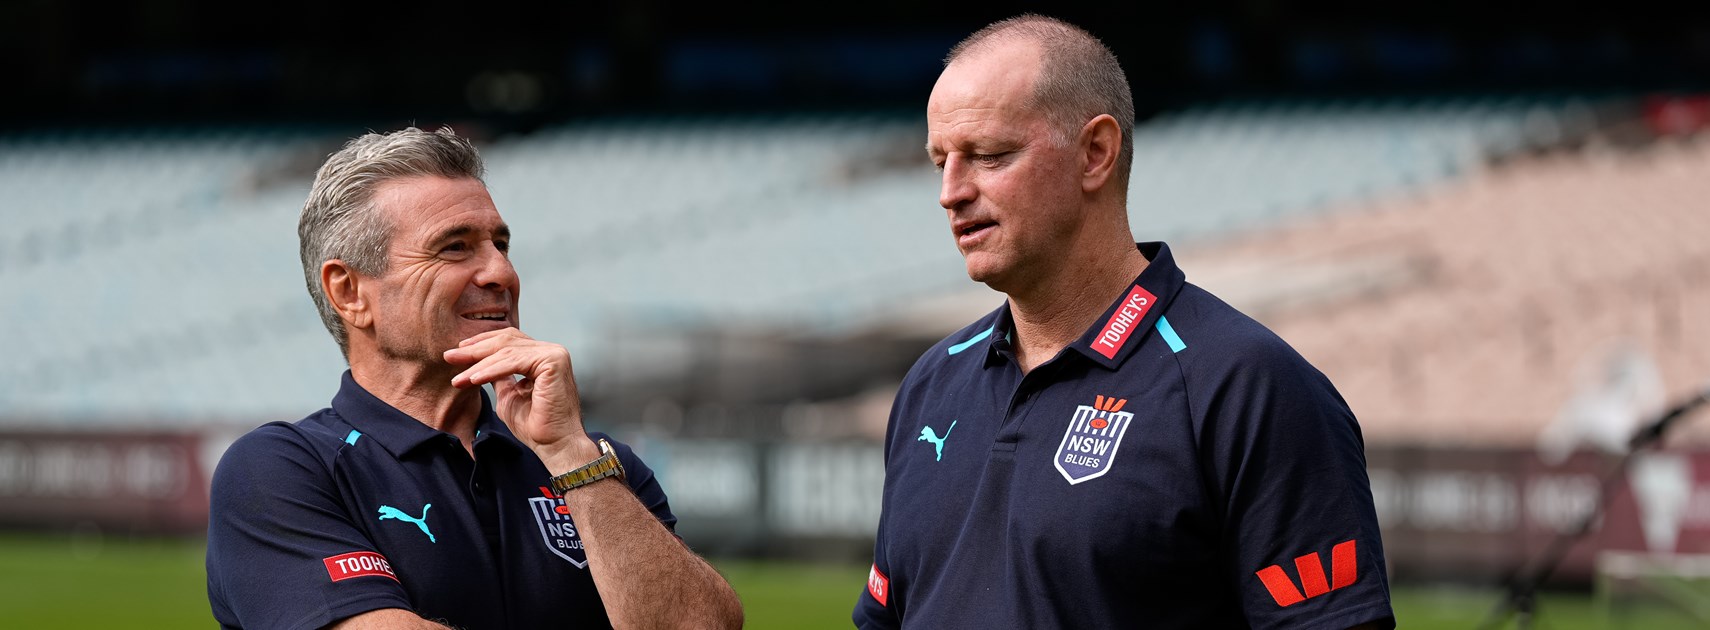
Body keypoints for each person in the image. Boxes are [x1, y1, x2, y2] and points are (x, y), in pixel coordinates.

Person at [852, 14, 1396, 629]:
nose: (951, 192)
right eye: (939, 162)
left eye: (989, 156)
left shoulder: (1248, 387)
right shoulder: (930, 384)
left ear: (1096, 153)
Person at [205, 126, 745, 630]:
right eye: (455, 247)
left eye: (501, 244)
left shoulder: (600, 464)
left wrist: (571, 457)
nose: (501, 273)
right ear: (349, 291)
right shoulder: (280, 470)